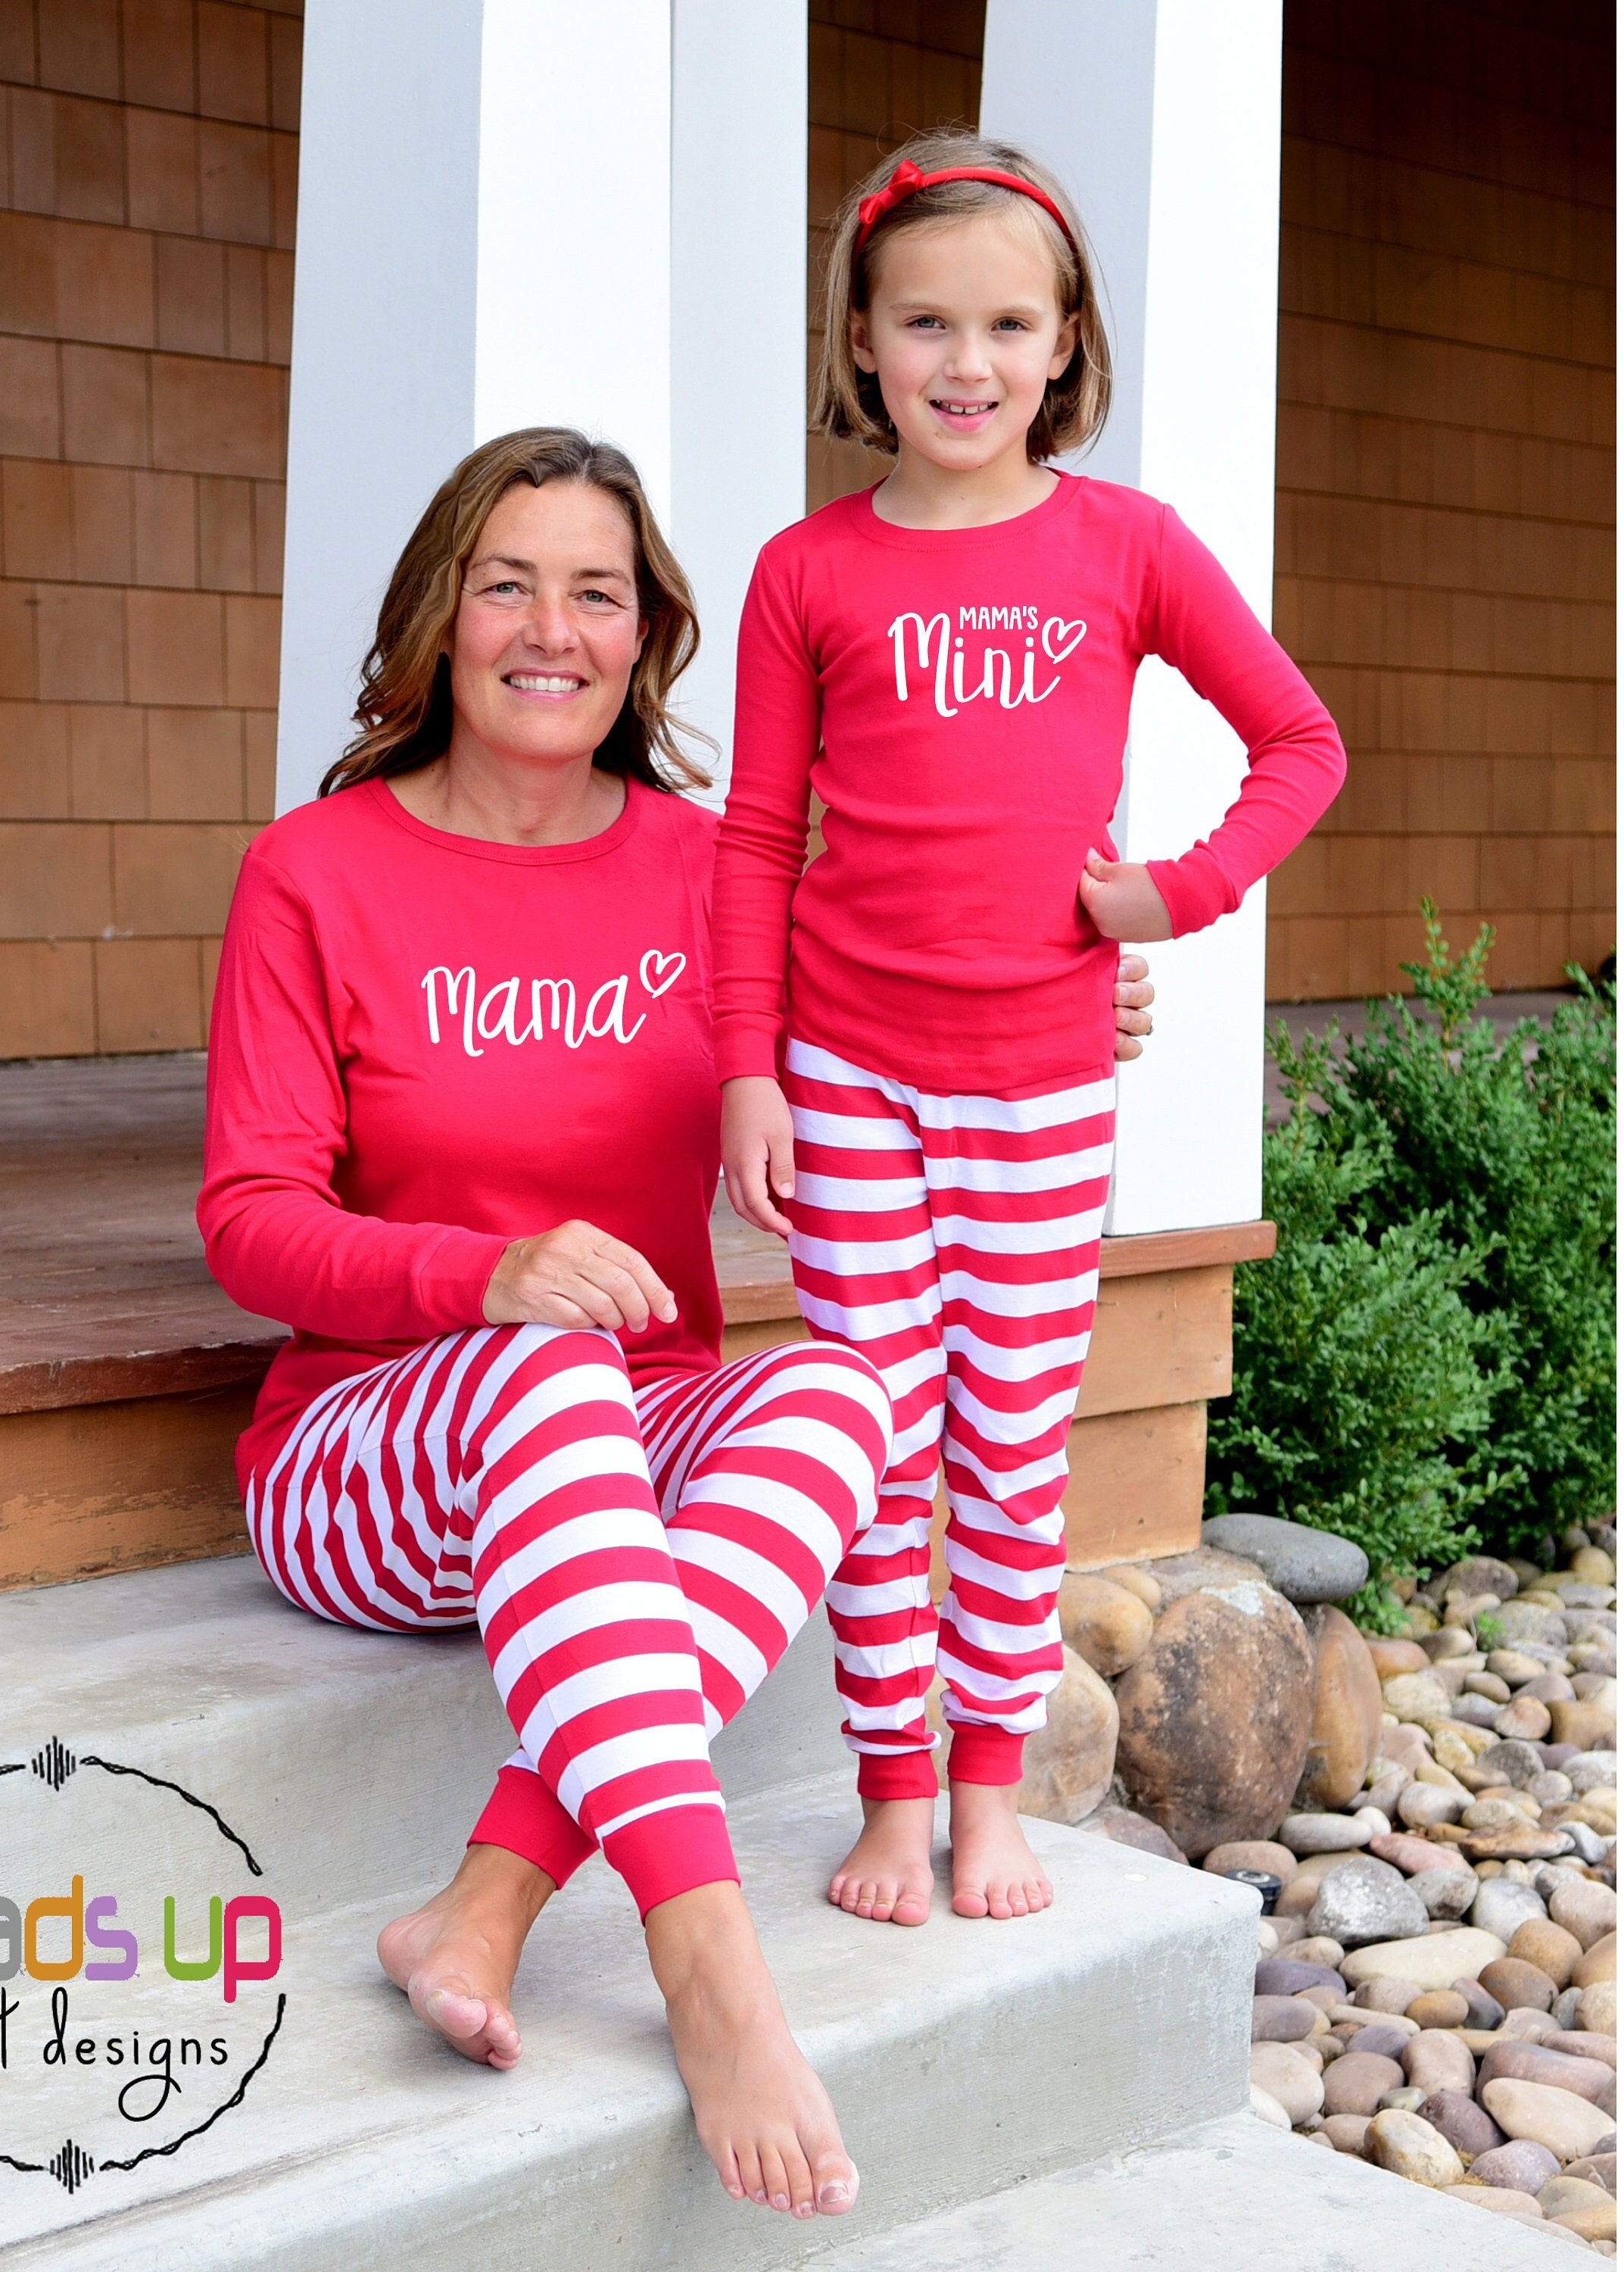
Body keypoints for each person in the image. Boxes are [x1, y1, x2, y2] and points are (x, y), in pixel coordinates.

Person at [200, 426, 1157, 2222]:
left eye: (597, 591)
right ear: (436, 617)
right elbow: (249, 1223)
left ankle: (486, 1900)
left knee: (841, 1393)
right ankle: (709, 1968)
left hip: (619, 1454)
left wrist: (1063, 994)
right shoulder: (314, 873)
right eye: (507, 582)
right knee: (554, 1366)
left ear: (645, 640)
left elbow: (910, 987)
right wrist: (476, 1276)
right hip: (368, 1447)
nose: (549, 628)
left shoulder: (718, 870)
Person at [713, 133, 1347, 1934]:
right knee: (868, 1439)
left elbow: (1301, 745)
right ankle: (890, 1800)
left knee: (1006, 1446)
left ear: (1067, 343)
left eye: (1007, 323)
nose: (965, 364)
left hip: (1042, 1083)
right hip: (843, 1074)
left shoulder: (1125, 547)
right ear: (860, 339)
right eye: (924, 323)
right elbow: (759, 836)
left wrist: (1174, 894)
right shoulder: (805, 570)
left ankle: (989, 1789)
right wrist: (747, 1067)